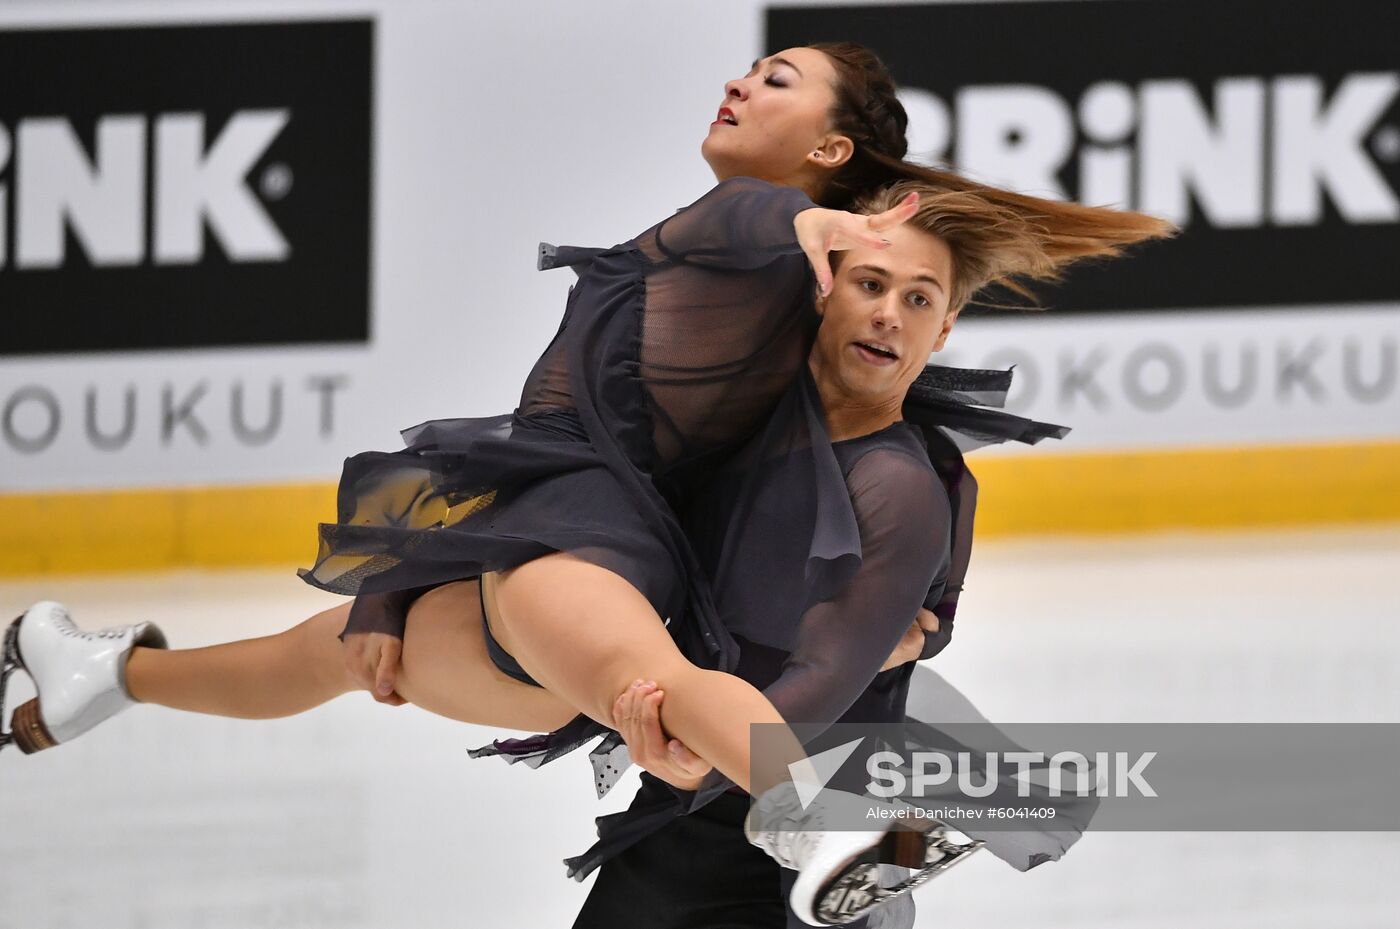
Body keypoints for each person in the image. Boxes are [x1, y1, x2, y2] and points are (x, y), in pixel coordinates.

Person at [0, 44, 1171, 925]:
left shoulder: (774, 227)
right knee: (341, 650)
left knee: (640, 680)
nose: (739, 87)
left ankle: (817, 829)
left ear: (826, 151)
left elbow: (775, 223)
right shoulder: (782, 298)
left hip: (586, 540)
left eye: (774, 82)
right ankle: (112, 674)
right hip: (551, 543)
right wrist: (404, 582)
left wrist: (814, 221)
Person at [565, 181, 1158, 927]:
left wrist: (703, 749)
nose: (888, 313)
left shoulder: (899, 486)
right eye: (872, 284)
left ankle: (935, 806)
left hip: (805, 815)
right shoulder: (738, 407)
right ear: (822, 289)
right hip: (705, 805)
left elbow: (824, 679)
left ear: (943, 329)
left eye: (919, 300)